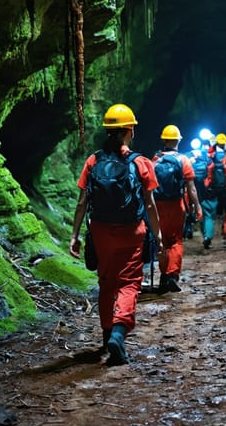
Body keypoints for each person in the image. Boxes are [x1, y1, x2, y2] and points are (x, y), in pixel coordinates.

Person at [69, 103, 164, 366]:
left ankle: (107, 333)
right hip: (131, 231)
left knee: (107, 281)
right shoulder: (141, 163)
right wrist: (158, 235)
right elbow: (150, 204)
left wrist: (74, 235)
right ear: (129, 130)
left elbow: (82, 202)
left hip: (100, 229)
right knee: (130, 281)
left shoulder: (93, 161)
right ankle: (120, 333)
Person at [152, 125, 203, 293]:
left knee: (162, 242)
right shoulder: (183, 160)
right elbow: (191, 187)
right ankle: (172, 275)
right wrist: (196, 205)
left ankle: (163, 276)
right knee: (176, 241)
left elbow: (149, 185)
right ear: (178, 141)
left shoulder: (155, 159)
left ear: (163, 139)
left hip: (158, 205)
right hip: (176, 205)